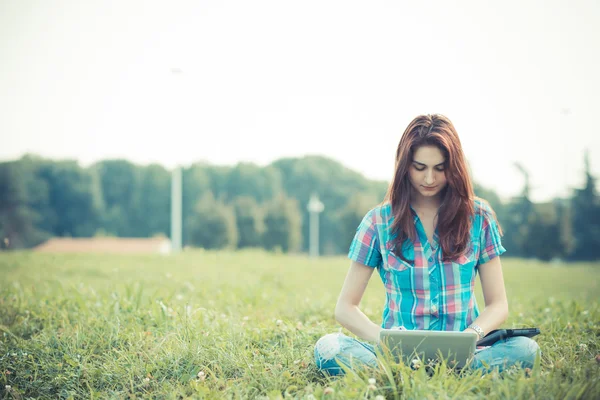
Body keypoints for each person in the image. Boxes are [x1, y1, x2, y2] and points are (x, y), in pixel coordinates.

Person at [314, 114, 541, 376]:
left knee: (526, 350)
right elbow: (345, 308)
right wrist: (384, 341)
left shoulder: (479, 217)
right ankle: (414, 371)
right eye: (420, 167)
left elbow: (498, 304)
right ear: (404, 166)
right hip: (395, 355)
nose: (430, 179)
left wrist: (471, 335)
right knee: (329, 347)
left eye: (440, 168)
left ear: (454, 167)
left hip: (467, 353)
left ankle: (425, 373)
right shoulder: (378, 221)